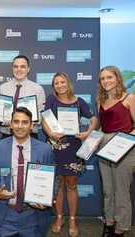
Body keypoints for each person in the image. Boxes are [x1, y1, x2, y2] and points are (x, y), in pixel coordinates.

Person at [42, 72, 97, 237]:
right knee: (58, 185)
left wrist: (89, 132)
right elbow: (44, 119)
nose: (60, 85)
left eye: (62, 82)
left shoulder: (79, 102)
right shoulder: (51, 100)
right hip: (54, 147)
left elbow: (93, 118)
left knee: (72, 184)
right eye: (56, 83)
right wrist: (50, 133)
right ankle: (59, 218)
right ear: (54, 86)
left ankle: (72, 219)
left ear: (68, 83)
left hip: (73, 148)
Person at [0, 107, 54, 237]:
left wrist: (48, 199)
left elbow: (54, 179)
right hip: (5, 215)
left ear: (31, 126)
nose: (20, 126)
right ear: (11, 124)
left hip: (34, 216)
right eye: (16, 121)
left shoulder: (45, 149)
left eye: (25, 122)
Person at [97, 66, 135, 237]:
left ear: (118, 78)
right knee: (108, 189)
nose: (106, 81)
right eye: (103, 78)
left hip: (124, 147)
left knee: (121, 190)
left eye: (109, 77)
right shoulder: (100, 101)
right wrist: (89, 137)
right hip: (104, 145)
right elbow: (100, 127)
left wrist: (124, 140)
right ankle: (110, 223)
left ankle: (121, 228)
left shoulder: (130, 98)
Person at [0, 55, 46, 138]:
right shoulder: (3, 88)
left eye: (22, 67)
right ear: (12, 69)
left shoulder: (37, 89)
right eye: (16, 67)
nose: (19, 69)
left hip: (30, 135)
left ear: (28, 69)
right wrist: (2, 120)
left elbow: (41, 114)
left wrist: (27, 123)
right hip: (7, 135)